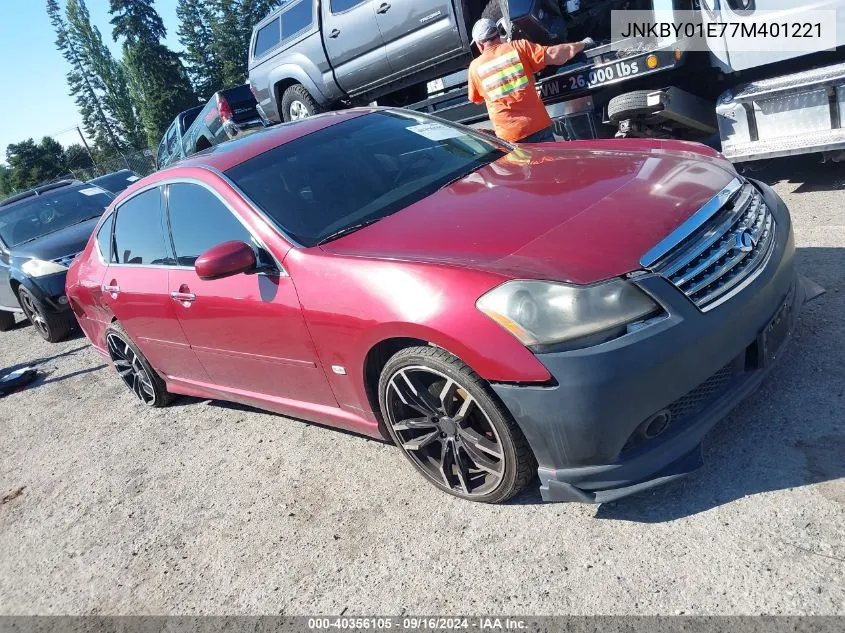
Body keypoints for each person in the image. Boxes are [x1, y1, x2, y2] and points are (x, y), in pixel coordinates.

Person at [467, 18, 595, 144]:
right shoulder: (518, 47)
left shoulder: (474, 68)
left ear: (479, 44)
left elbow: (476, 99)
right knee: (549, 164)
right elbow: (555, 54)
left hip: (510, 137)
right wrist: (582, 44)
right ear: (498, 34)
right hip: (537, 126)